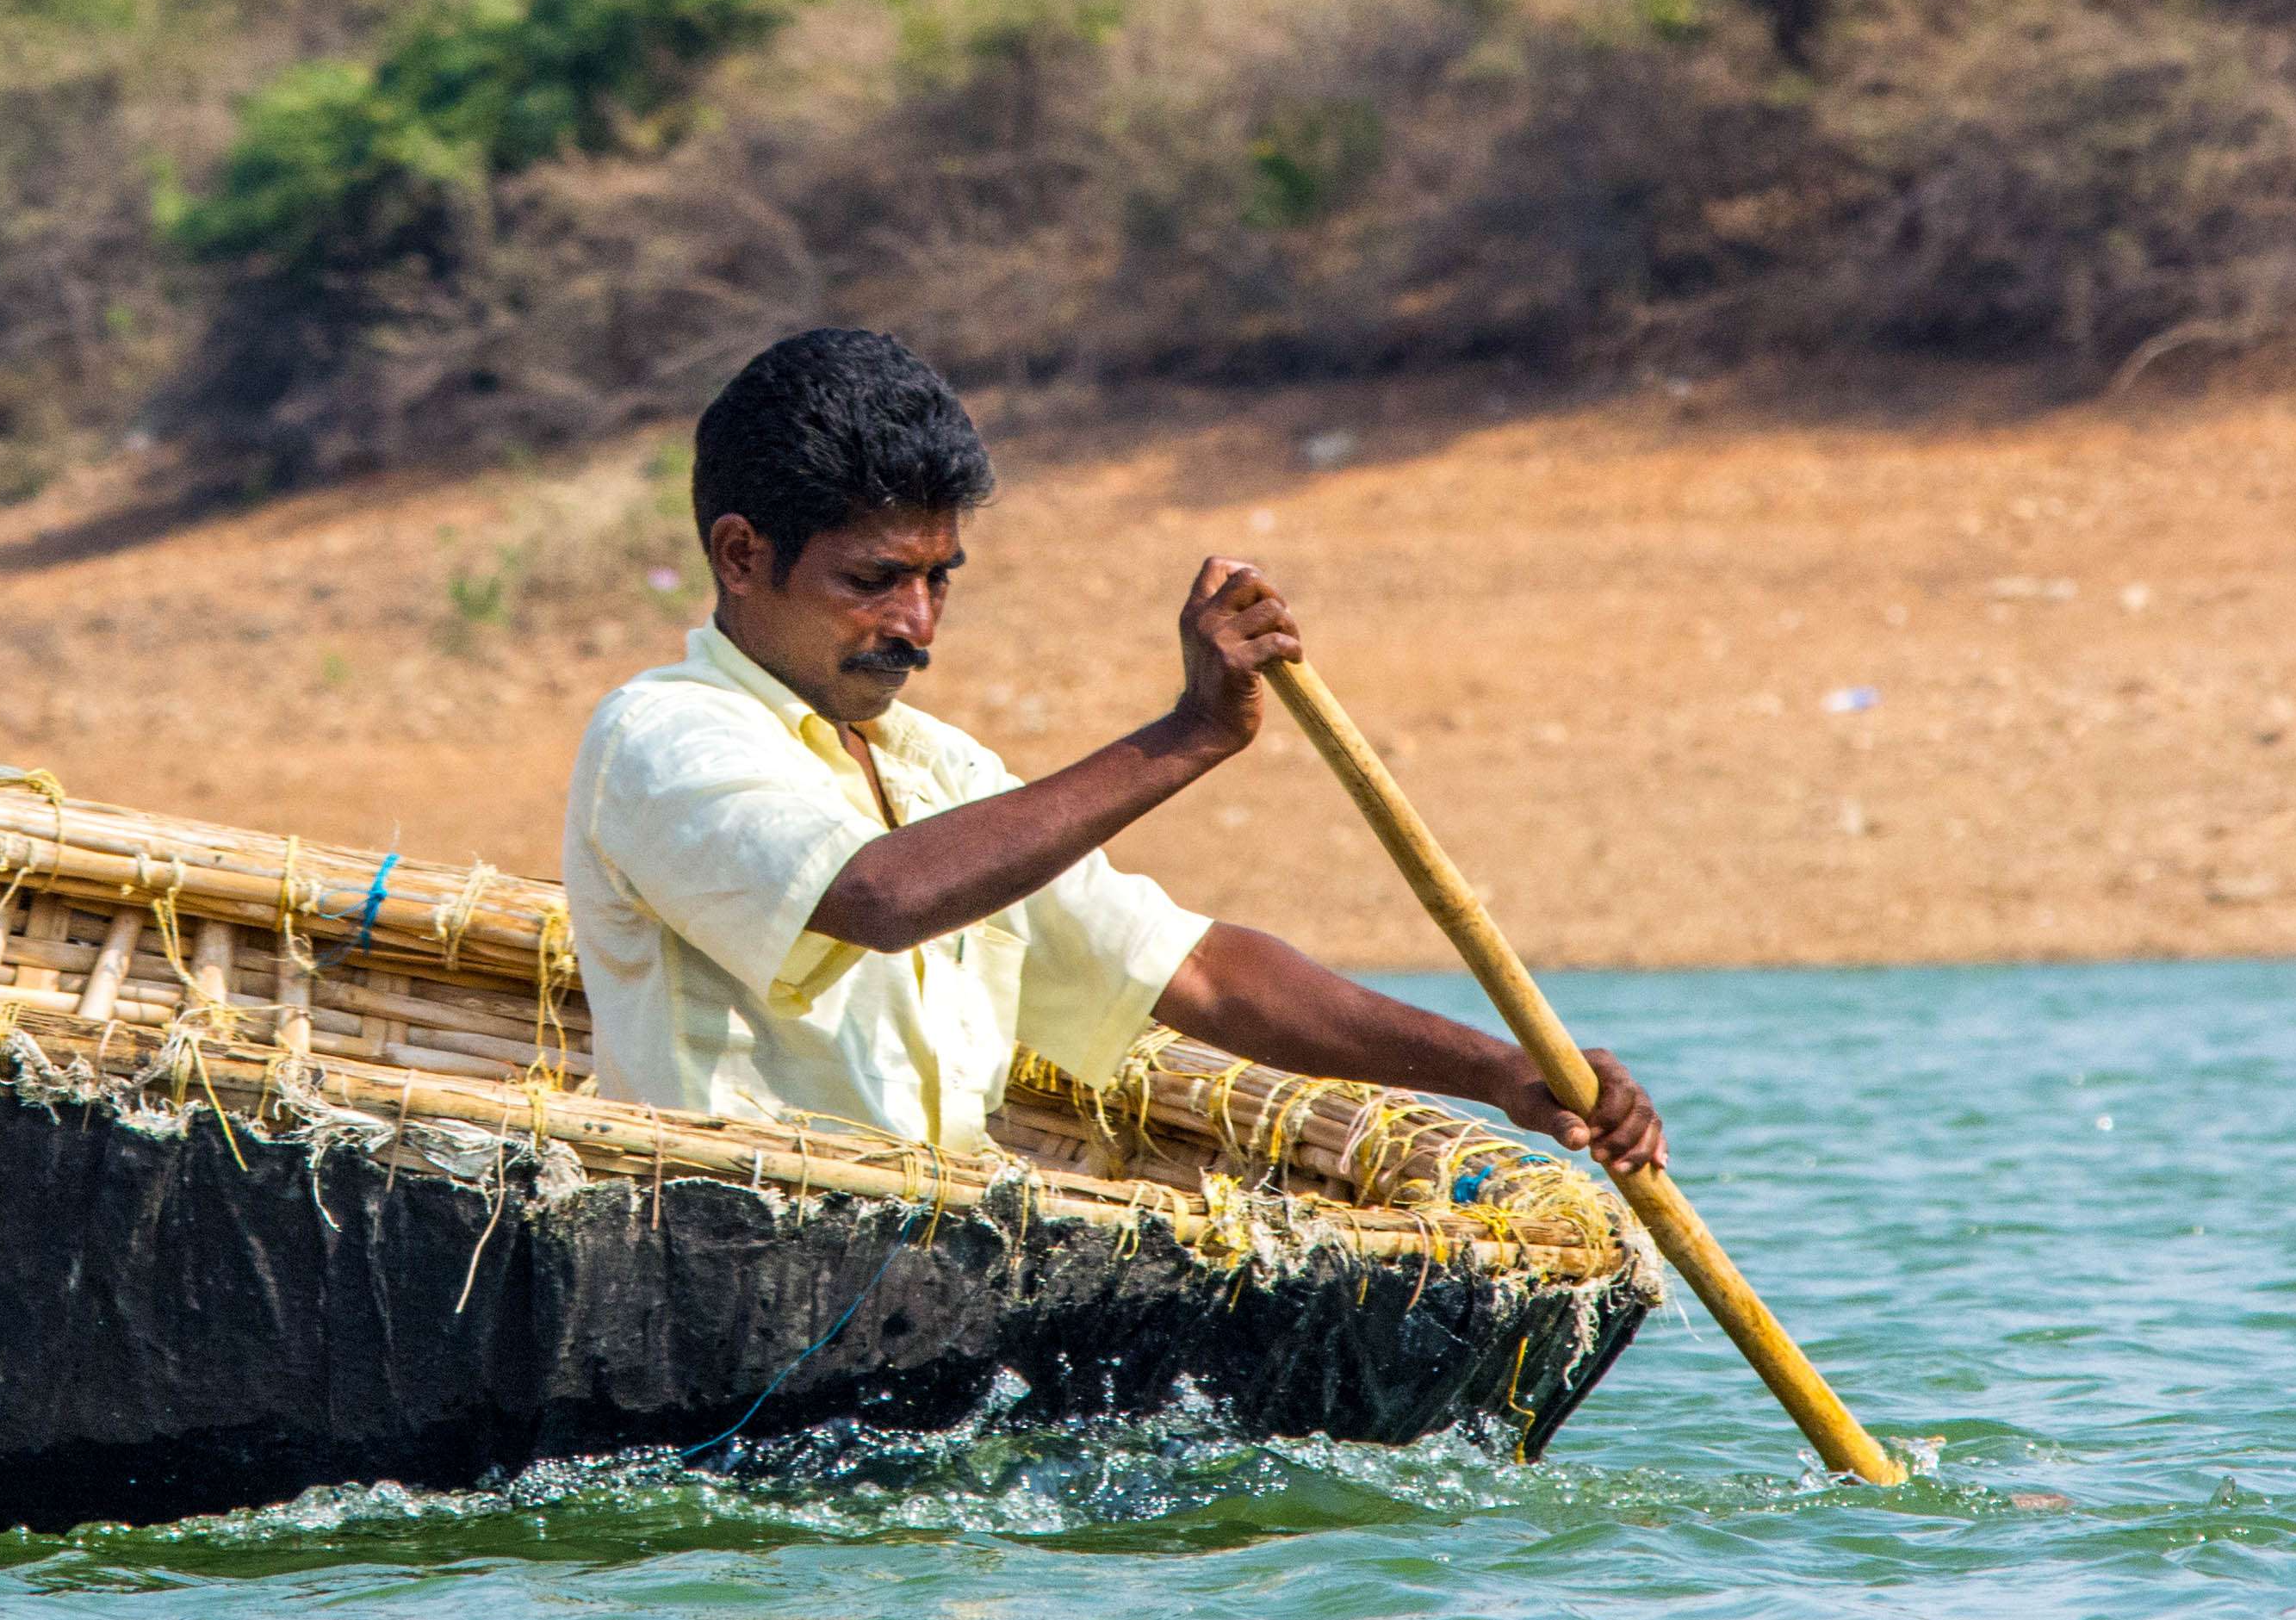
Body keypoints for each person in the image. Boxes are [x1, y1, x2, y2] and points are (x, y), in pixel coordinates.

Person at [562, 327, 1664, 1176]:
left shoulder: (937, 770)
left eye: (939, 578)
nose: (919, 624)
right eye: (873, 580)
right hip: (727, 1248)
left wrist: (1510, 1073)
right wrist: (1185, 737)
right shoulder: (660, 736)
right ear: (743, 556)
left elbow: (1202, 972)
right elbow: (878, 898)